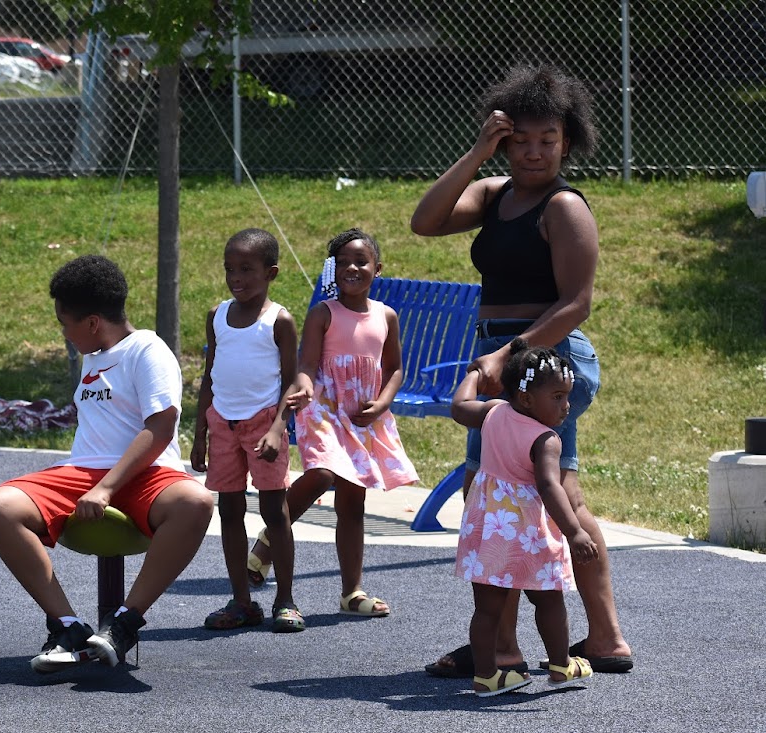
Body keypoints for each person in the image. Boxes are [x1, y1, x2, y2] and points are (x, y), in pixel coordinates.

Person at [410, 63, 633, 676]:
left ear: (569, 141)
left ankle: (501, 644)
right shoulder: (496, 195)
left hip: (543, 362)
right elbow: (424, 221)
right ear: (505, 140)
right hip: (510, 359)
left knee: (502, 491)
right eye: (521, 140)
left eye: (548, 140)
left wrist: (508, 359)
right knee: (551, 491)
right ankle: (602, 637)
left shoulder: (563, 207)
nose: (535, 153)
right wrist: (479, 150)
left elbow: (577, 303)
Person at [0, 254, 215, 673]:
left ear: (91, 323)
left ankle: (125, 622)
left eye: (64, 324)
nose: (64, 334)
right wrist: (94, 482)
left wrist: (106, 487)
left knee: (196, 501)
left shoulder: (147, 349)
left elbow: (160, 429)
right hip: (81, 472)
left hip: (147, 473)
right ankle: (67, 626)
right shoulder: (93, 355)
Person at [248, 229, 418, 616]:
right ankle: (269, 538)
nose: (352, 269)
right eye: (342, 263)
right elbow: (306, 365)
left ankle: (351, 592)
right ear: (332, 269)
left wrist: (384, 402)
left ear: (378, 268)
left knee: (353, 502)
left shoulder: (386, 316)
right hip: (323, 406)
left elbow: (394, 369)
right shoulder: (323, 313)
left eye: (361, 262)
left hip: (363, 414)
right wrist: (304, 389)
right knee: (323, 475)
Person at [451, 339, 597, 696]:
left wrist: (474, 372)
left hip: (488, 526)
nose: (566, 406)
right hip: (526, 530)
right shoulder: (546, 439)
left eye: (567, 395)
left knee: (487, 608)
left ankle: (487, 676)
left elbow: (458, 407)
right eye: (558, 397)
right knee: (548, 599)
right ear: (528, 398)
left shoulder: (494, 412)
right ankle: (562, 665)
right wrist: (575, 531)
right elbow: (550, 488)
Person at [191, 229, 302, 633]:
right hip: (223, 422)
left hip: (263, 424)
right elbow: (210, 376)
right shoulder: (217, 316)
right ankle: (241, 601)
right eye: (230, 269)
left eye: (247, 269)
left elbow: (292, 380)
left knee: (275, 510)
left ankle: (285, 599)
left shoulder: (279, 321)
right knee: (229, 509)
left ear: (271, 272)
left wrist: (277, 429)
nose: (236, 277)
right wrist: (199, 432)